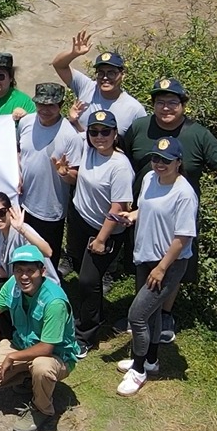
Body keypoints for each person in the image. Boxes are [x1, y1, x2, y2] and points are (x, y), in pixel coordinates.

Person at [121, 77, 217, 342]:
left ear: (183, 105)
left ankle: (165, 314)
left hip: (179, 216)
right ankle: (144, 313)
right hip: (144, 212)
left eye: (173, 102)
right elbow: (119, 158)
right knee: (144, 263)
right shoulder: (139, 128)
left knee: (170, 267)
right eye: (160, 102)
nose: (166, 108)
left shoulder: (198, 134)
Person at [115, 136, 197, 397]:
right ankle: (151, 359)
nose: (159, 164)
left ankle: (139, 370)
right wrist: (132, 215)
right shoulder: (150, 179)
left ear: (178, 162)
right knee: (151, 315)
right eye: (155, 158)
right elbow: (145, 208)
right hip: (145, 256)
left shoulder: (184, 194)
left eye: (166, 160)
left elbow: (183, 237)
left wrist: (161, 268)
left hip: (167, 264)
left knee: (137, 316)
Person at [0, 245, 78, 431]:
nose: (24, 276)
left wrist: (12, 357)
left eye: (30, 270)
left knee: (42, 367)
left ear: (42, 271)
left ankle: (42, 409)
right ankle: (30, 378)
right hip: (23, 346)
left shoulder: (54, 302)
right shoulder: (13, 285)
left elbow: (46, 347)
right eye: (19, 270)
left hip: (56, 356)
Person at [64, 110, 134, 354]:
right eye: (95, 131)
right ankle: (98, 314)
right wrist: (74, 120)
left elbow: (119, 207)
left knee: (88, 281)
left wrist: (102, 238)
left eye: (106, 131)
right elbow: (77, 133)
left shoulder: (120, 166)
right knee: (78, 268)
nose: (99, 136)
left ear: (115, 134)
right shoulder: (89, 146)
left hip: (105, 229)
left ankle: (85, 337)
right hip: (81, 220)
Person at [17, 83, 84, 268]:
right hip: (22, 202)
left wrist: (64, 174)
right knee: (23, 254)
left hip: (50, 209)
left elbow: (75, 176)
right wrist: (17, 172)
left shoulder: (71, 136)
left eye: (51, 105)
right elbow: (17, 151)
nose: (45, 110)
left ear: (61, 105)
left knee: (47, 259)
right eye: (41, 104)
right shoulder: (26, 122)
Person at [50, 32, 146, 133]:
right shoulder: (86, 87)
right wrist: (73, 53)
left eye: (111, 73)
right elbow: (59, 65)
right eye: (101, 73)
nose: (105, 77)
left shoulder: (134, 109)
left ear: (123, 75)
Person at [0, 191, 58, 289]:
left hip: (40, 286)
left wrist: (22, 229)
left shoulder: (22, 230)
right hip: (21, 283)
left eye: (1, 212)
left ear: (10, 211)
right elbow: (6, 272)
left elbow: (48, 252)